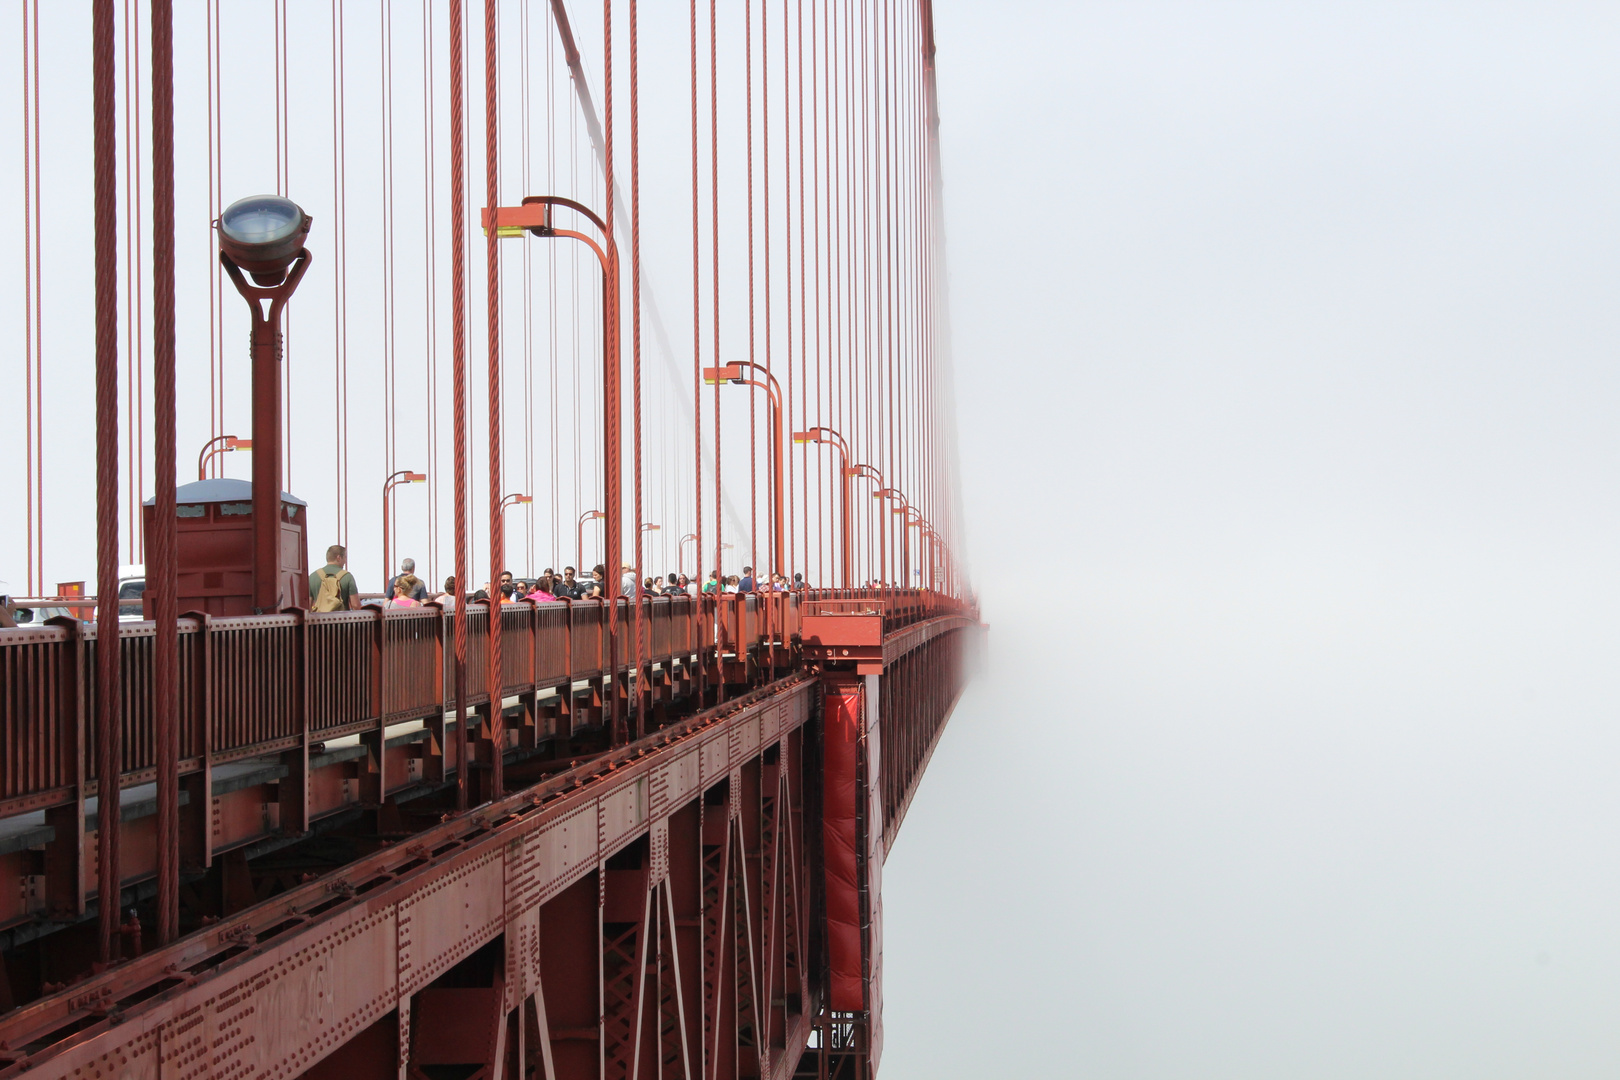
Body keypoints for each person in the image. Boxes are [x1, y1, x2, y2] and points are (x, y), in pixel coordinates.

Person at [309, 544, 359, 611]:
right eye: (345, 557)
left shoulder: (312, 577)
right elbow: (355, 605)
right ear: (338, 558)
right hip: (341, 620)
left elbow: (307, 606)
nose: (345, 561)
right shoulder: (347, 576)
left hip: (320, 620)